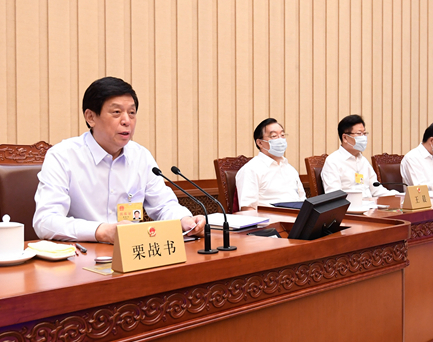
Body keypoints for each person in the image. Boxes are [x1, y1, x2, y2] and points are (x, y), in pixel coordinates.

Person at [33, 77, 206, 243]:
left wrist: (184, 220)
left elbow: (164, 205)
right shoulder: (62, 156)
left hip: (132, 254)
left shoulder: (140, 156)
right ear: (90, 117)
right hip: (81, 255)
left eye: (132, 113)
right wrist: (101, 231)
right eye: (116, 112)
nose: (126, 121)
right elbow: (45, 221)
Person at [234, 118, 306, 210]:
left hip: (297, 216)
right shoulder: (251, 169)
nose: (280, 139)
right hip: (269, 218)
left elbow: (303, 201)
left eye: (282, 135)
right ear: (260, 143)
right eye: (274, 136)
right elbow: (248, 209)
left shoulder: (290, 169)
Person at [321, 115, 401, 198]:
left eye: (364, 133)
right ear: (345, 138)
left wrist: (400, 196)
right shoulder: (333, 161)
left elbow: (377, 190)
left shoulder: (363, 161)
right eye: (359, 133)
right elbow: (334, 196)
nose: (363, 138)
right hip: (351, 206)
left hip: (370, 204)